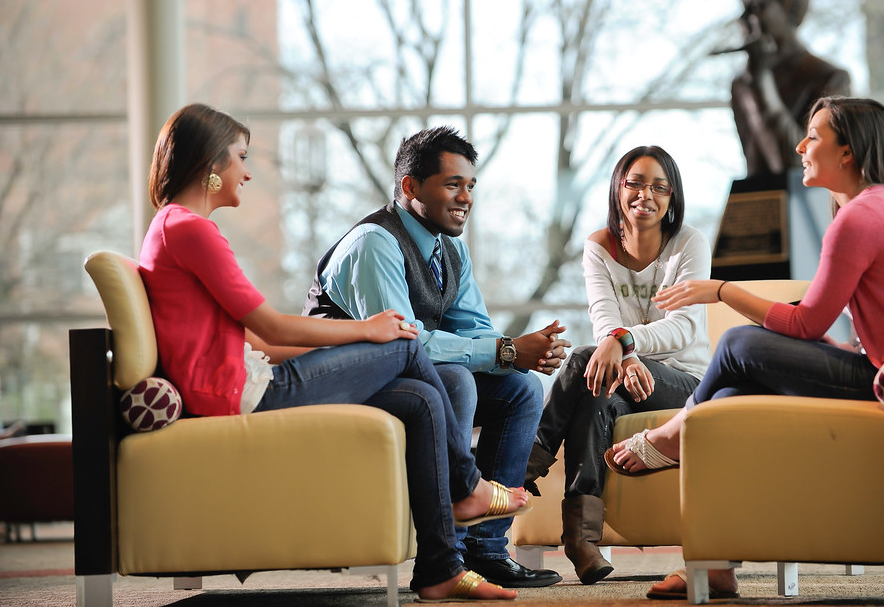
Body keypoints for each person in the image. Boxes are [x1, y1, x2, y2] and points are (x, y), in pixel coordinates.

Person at [139, 103, 533, 602]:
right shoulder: (190, 229)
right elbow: (267, 323)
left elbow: (257, 340)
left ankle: (439, 568)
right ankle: (468, 486)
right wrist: (366, 331)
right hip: (239, 391)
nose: (248, 170)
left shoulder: (172, 226)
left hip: (240, 380)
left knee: (419, 398)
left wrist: (371, 334)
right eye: (241, 156)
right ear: (210, 164)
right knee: (405, 341)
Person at [608, 96, 884, 600]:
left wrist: (720, 290)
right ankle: (715, 565)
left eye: (814, 136)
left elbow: (804, 323)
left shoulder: (858, 219)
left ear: (847, 152)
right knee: (727, 400)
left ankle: (673, 434)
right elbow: (841, 317)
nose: (801, 146)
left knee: (738, 343)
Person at [302, 126, 571, 588]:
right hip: (344, 382)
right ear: (410, 187)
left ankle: (486, 551)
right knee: (456, 380)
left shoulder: (452, 252)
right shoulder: (374, 242)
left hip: (407, 378)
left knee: (522, 388)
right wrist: (507, 350)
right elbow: (406, 342)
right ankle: (444, 556)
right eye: (452, 184)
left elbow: (474, 332)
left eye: (470, 186)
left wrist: (520, 355)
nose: (465, 197)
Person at [523, 146, 712, 584]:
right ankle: (582, 539)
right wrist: (625, 354)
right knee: (596, 391)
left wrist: (625, 343)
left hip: (684, 380)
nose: (647, 194)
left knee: (585, 359)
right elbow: (603, 315)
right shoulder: (598, 246)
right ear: (618, 187)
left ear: (671, 198)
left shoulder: (689, 243)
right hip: (623, 377)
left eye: (660, 187)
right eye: (636, 183)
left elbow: (683, 327)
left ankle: (526, 463)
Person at [726, 0, 851, 178]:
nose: (743, 20)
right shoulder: (742, 84)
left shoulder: (830, 79)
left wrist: (761, 81)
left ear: (794, 9)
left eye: (756, 6)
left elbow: (796, 166)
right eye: (743, 6)